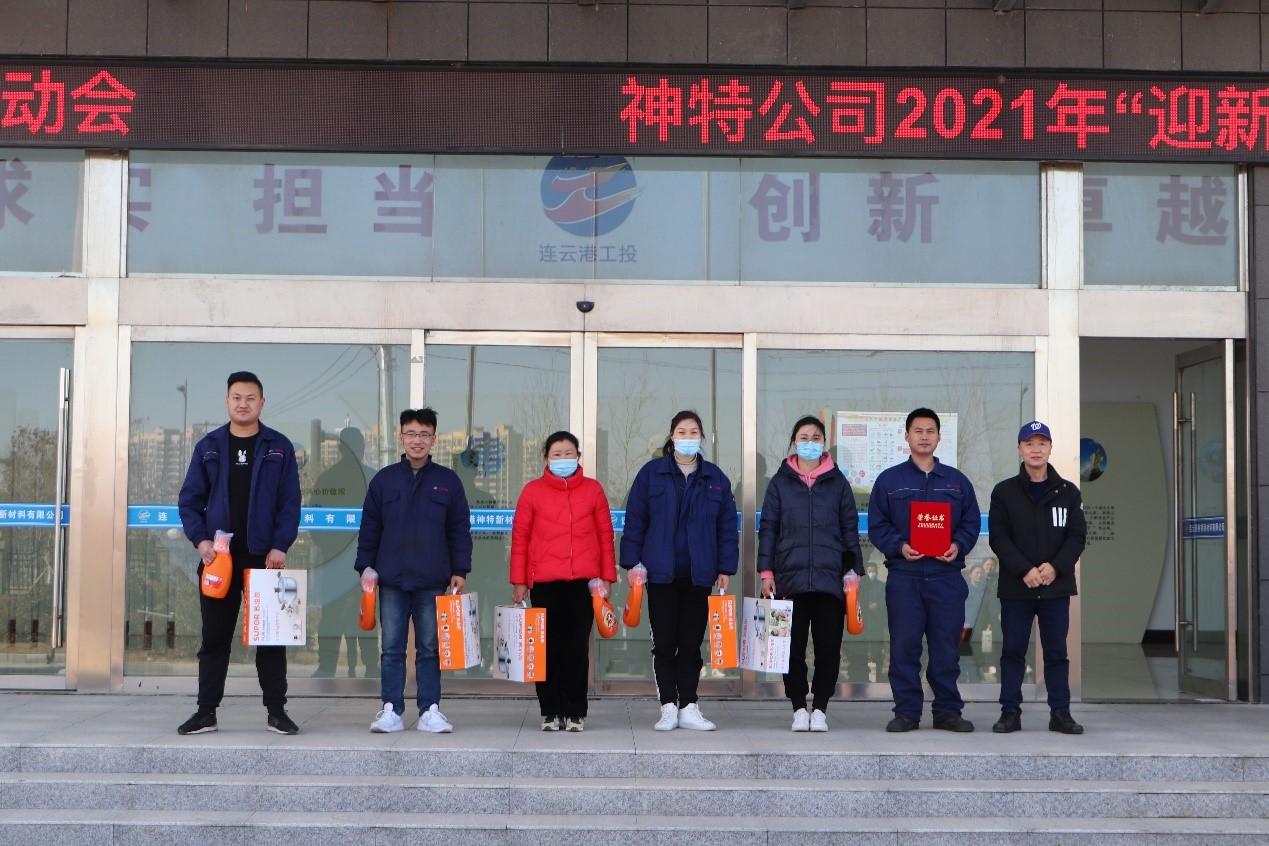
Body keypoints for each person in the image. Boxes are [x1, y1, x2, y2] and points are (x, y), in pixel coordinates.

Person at [176, 371, 302, 735]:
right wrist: (201, 541)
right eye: (236, 397)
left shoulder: (279, 446)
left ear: (262, 402)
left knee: (271, 638)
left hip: (265, 559)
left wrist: (280, 545)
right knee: (214, 638)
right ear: (227, 401)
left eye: (250, 398)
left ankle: (277, 711)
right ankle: (206, 712)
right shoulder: (209, 446)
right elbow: (189, 501)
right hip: (219, 560)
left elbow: (290, 503)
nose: (243, 404)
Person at [620, 410, 739, 732]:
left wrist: (725, 567)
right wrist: (632, 563)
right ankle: (668, 707)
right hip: (660, 574)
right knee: (664, 643)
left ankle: (689, 705)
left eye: (694, 432)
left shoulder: (715, 478)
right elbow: (636, 521)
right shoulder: (651, 474)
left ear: (702, 437)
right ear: (672, 437)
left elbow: (727, 528)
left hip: (699, 575)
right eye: (682, 432)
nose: (688, 437)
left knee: (690, 643)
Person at [356, 408, 472, 734]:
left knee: (430, 649)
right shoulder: (384, 480)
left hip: (432, 580)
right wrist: (366, 567)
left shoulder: (447, 482)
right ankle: (391, 710)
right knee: (392, 648)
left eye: (423, 434)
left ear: (434, 439)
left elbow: (459, 530)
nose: (417, 440)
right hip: (391, 579)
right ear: (401, 437)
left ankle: (430, 710)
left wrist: (460, 569)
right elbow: (370, 529)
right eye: (411, 433)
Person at [868, 407, 980, 733]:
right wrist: (899, 546)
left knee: (946, 650)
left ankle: (947, 712)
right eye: (918, 431)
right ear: (906, 436)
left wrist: (958, 544)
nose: (924, 436)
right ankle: (906, 712)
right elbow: (877, 525)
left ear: (939, 437)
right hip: (905, 577)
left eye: (930, 431)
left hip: (946, 578)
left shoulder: (957, 482)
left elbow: (971, 522)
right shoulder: (890, 481)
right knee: (904, 647)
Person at [757, 415, 863, 733]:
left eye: (816, 438)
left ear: (824, 444)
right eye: (804, 437)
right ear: (794, 442)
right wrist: (766, 572)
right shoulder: (780, 483)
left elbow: (850, 528)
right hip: (789, 580)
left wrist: (854, 571)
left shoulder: (838, 483)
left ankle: (820, 709)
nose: (810, 443)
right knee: (791, 650)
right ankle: (798, 708)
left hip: (830, 580)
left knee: (829, 648)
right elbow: (769, 529)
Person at [510, 431, 616, 733]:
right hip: (544, 583)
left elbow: (605, 536)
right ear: (546, 457)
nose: (563, 458)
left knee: (576, 649)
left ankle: (575, 712)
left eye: (569, 453)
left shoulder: (593, 490)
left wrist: (607, 577)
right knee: (546, 649)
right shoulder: (532, 491)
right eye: (557, 454)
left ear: (578, 456)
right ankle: (550, 711)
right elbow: (520, 538)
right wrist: (519, 581)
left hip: (584, 583)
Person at [988, 420, 1087, 735]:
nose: (1035, 449)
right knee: (1013, 651)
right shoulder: (1004, 492)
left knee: (1056, 652)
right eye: (1029, 443)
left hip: (1055, 587)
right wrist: (1024, 569)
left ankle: (1060, 713)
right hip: (1017, 588)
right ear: (1019, 448)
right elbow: (999, 537)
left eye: (1041, 443)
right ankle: (1010, 713)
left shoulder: (1068, 492)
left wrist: (1055, 567)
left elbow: (1077, 536)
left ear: (1050, 448)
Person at [309, 427, 378, 679]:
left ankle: (327, 666)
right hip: (363, 561)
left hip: (337, 559)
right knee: (366, 612)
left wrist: (330, 547)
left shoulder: (328, 478)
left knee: (333, 615)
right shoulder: (372, 478)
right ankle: (371, 667)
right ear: (362, 448)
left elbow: (315, 523)